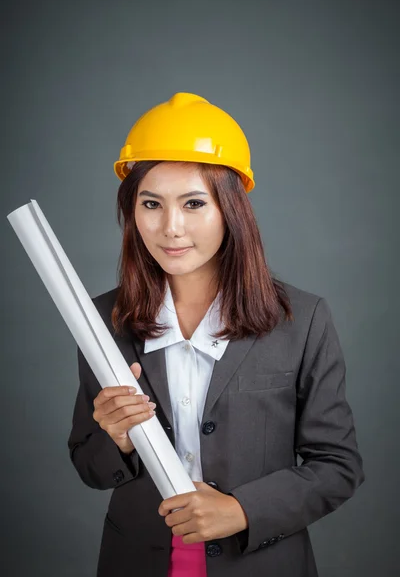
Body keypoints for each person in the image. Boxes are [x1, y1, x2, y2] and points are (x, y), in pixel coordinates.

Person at [67, 92, 365, 577]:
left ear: (231, 209)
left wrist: (242, 511)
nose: (171, 228)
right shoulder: (104, 318)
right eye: (150, 204)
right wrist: (116, 438)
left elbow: (337, 465)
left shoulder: (302, 319)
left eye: (193, 203)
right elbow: (90, 467)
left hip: (262, 562)